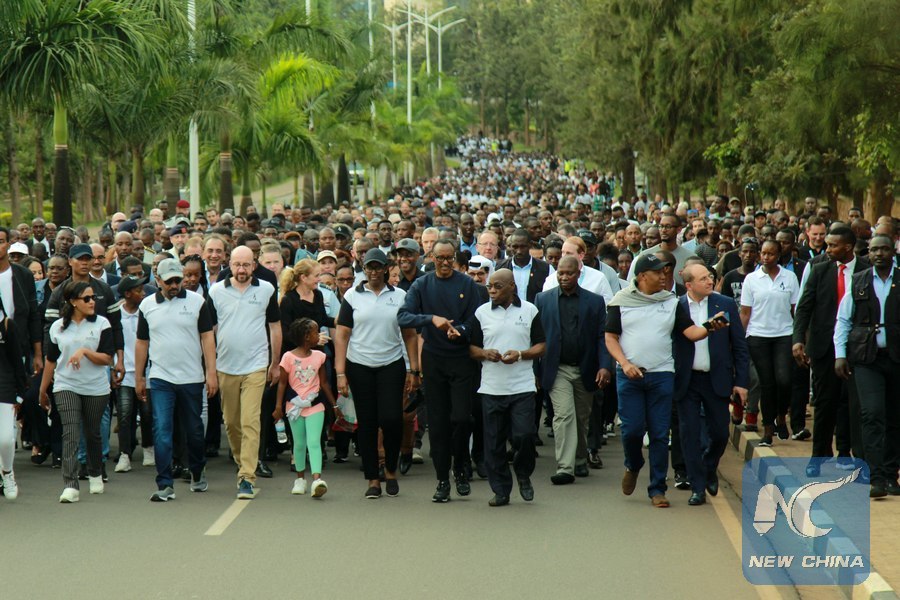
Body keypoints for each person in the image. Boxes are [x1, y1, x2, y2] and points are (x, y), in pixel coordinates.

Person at [605, 254, 727, 508]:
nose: (664, 276)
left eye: (665, 272)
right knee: (632, 431)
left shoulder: (670, 302)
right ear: (642, 276)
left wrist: (711, 326)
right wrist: (624, 364)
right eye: (658, 272)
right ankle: (633, 464)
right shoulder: (620, 302)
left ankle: (657, 489)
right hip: (629, 376)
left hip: (662, 375)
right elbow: (610, 338)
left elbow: (691, 332)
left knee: (660, 434)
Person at [397, 239, 487, 503]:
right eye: (440, 258)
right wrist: (431, 319)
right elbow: (403, 316)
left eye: (449, 258)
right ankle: (442, 480)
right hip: (434, 359)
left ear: (455, 259)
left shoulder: (467, 284)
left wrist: (462, 330)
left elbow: (476, 318)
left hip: (461, 360)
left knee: (461, 418)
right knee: (437, 424)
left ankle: (460, 466)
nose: (445, 263)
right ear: (432, 258)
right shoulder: (422, 285)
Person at [334, 249, 419, 499]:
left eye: (377, 267)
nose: (373, 272)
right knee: (367, 423)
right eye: (369, 267)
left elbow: (410, 335)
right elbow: (342, 335)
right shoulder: (352, 296)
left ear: (385, 269)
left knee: (391, 419)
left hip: (391, 364)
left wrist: (414, 369)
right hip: (359, 365)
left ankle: (390, 469)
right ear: (364, 269)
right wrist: (340, 373)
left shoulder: (400, 296)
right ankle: (373, 478)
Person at [135, 258, 218, 502]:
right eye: (169, 281)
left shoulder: (197, 301)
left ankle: (197, 470)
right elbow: (142, 342)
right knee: (162, 430)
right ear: (157, 280)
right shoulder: (147, 305)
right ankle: (165, 484)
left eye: (177, 280)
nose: (174, 285)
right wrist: (140, 377)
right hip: (161, 378)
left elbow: (207, 337)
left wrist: (211, 372)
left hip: (192, 378)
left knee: (194, 431)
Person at [207, 246, 282, 500]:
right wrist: (210, 367)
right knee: (231, 423)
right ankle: (243, 462)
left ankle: (247, 477)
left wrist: (274, 363)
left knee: (250, 421)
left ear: (254, 265)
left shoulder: (266, 290)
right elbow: (209, 331)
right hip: (226, 366)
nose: (241, 270)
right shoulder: (216, 291)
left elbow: (275, 327)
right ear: (229, 264)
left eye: (246, 265)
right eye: (237, 264)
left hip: (256, 365)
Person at [468, 269, 546, 506]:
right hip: (492, 388)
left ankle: (523, 474)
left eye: (497, 286)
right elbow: (471, 348)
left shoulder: (530, 310)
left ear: (512, 286)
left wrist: (521, 354)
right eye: (489, 286)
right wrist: (484, 353)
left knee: (524, 436)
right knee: (494, 443)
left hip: (522, 386)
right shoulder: (481, 313)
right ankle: (501, 490)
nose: (491, 291)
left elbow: (542, 345)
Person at [673, 264, 749, 506]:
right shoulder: (676, 307)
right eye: (703, 278)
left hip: (717, 378)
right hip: (687, 380)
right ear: (689, 285)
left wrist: (741, 382)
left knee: (719, 432)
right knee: (689, 434)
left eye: (710, 277)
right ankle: (697, 487)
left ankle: (709, 467)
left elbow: (739, 345)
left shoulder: (724, 305)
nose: (710, 281)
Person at [793, 226, 868, 468]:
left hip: (857, 347)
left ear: (848, 247)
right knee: (825, 402)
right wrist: (798, 339)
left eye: (833, 245)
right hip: (824, 347)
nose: (827, 249)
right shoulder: (819, 269)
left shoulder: (866, 270)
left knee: (851, 402)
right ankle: (819, 455)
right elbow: (804, 306)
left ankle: (846, 452)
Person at [535, 256, 611, 484]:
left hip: (585, 368)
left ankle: (579, 459)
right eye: (560, 273)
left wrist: (605, 366)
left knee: (581, 417)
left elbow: (602, 337)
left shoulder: (594, 301)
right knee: (564, 416)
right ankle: (565, 468)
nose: (564, 277)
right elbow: (536, 338)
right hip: (557, 368)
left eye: (569, 273)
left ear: (579, 274)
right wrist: (535, 370)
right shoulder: (543, 299)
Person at [834, 235, 899, 498]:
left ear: (893, 252)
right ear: (868, 253)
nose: (879, 254)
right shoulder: (858, 281)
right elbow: (843, 320)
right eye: (874, 250)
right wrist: (840, 355)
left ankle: (891, 474)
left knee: (895, 416)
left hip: (896, 358)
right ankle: (876, 476)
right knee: (872, 414)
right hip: (866, 359)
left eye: (884, 249)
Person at [39, 281, 115, 503]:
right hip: (66, 385)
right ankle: (70, 485)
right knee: (70, 433)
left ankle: (95, 472)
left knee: (92, 433)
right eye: (86, 298)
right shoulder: (57, 327)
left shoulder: (102, 323)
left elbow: (107, 358)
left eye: (93, 298)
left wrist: (84, 351)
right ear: (73, 302)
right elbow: (51, 360)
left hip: (95, 387)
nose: (92, 302)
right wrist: (43, 389)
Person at [739, 239, 800, 447]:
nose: (766, 257)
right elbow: (745, 312)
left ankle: (781, 416)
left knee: (784, 380)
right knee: (767, 383)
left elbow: (796, 309)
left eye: (771, 253)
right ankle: (767, 430)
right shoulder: (751, 279)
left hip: (784, 334)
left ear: (778, 255)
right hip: (758, 335)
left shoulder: (790, 277)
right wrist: (739, 338)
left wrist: (800, 337)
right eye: (763, 253)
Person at [275, 318, 337, 498]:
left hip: (315, 405)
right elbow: (282, 384)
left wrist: (334, 404)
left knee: (314, 442)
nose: (319, 335)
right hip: (294, 406)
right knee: (299, 443)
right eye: (316, 332)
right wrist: (278, 407)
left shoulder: (319, 356)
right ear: (306, 336)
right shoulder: (288, 357)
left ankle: (317, 480)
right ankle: (300, 479)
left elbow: (324, 383)